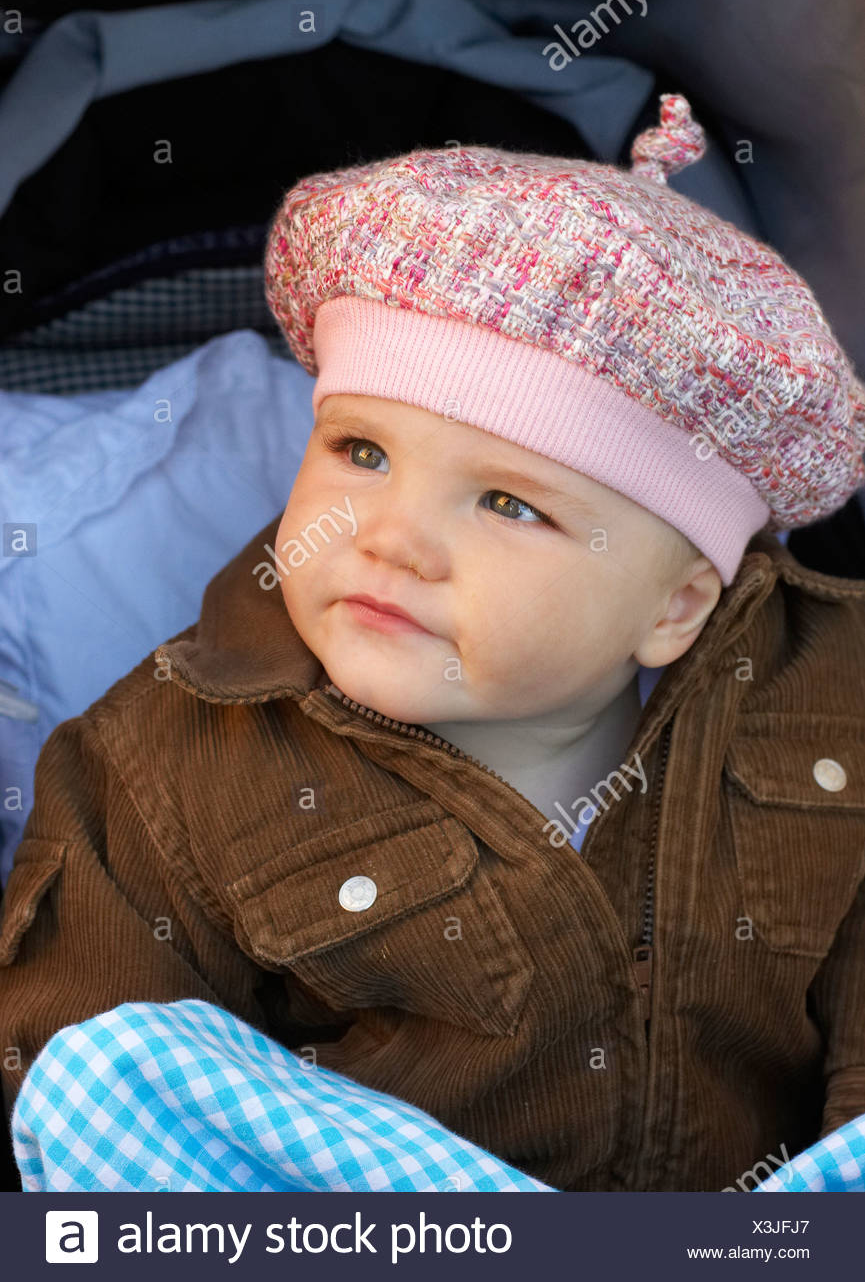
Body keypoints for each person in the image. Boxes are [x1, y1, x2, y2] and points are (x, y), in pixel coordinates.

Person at [2, 94, 865, 1192]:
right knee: (113, 1066)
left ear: (676, 606)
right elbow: (78, 1079)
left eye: (507, 505)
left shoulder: (821, 696)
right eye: (361, 451)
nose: (391, 539)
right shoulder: (160, 765)